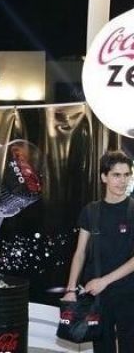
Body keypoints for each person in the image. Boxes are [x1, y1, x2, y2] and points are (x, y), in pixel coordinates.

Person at [62, 150, 134, 353]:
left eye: (126, 175)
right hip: (97, 296)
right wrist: (70, 289)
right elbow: (80, 253)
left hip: (128, 293)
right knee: (102, 348)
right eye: (116, 175)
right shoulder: (91, 211)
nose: (122, 181)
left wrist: (104, 281)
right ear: (104, 177)